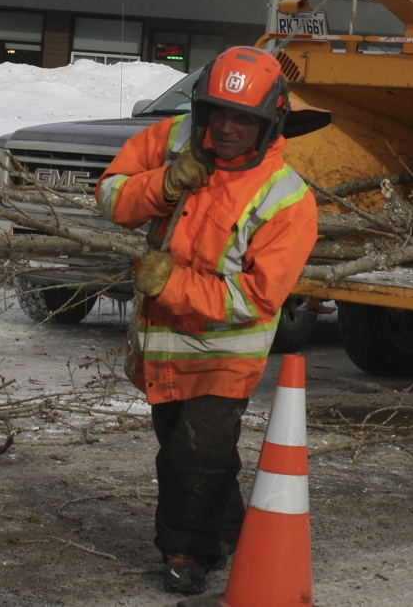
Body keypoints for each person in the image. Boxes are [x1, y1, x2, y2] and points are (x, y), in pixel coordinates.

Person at [96, 46, 319, 594]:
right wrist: (165, 184)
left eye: (243, 118)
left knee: (192, 456)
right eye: (217, 113)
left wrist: (168, 283)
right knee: (193, 451)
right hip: (160, 346)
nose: (226, 127)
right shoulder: (173, 140)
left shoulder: (288, 200)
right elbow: (108, 195)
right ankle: (234, 534)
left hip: (223, 354)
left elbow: (258, 298)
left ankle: (185, 554)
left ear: (270, 123)